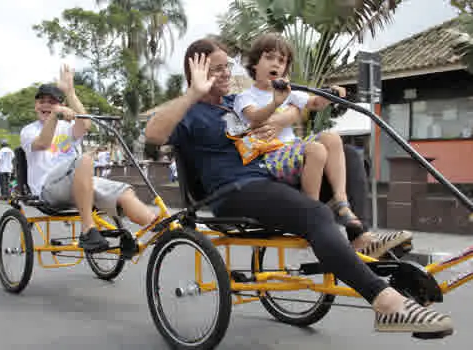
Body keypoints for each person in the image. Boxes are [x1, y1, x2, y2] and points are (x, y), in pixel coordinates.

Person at [144, 38, 453, 335]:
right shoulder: (189, 113)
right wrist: (193, 92)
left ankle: (359, 235)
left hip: (270, 176)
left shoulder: (233, 104)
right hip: (235, 191)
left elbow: (276, 112)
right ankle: (385, 301)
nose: (225, 73)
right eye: (215, 69)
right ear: (195, 73)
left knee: (349, 155)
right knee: (315, 214)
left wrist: (297, 107)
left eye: (227, 66)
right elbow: (153, 135)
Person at [232, 33, 411, 257]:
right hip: (272, 155)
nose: (276, 63)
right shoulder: (246, 96)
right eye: (269, 57)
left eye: (282, 60)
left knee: (331, 137)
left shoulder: (289, 93)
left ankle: (341, 200)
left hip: (294, 149)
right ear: (255, 63)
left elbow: (315, 102)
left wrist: (332, 93)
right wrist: (276, 104)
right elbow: (255, 117)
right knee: (316, 149)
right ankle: (313, 213)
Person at [20, 64, 157, 253]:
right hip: (47, 190)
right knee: (84, 160)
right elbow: (43, 143)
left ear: (62, 105)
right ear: (35, 105)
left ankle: (162, 231)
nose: (45, 105)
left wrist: (71, 92)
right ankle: (88, 228)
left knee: (124, 193)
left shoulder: (66, 128)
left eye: (51, 102)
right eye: (41, 101)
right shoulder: (28, 131)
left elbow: (85, 125)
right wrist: (54, 115)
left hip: (80, 184)